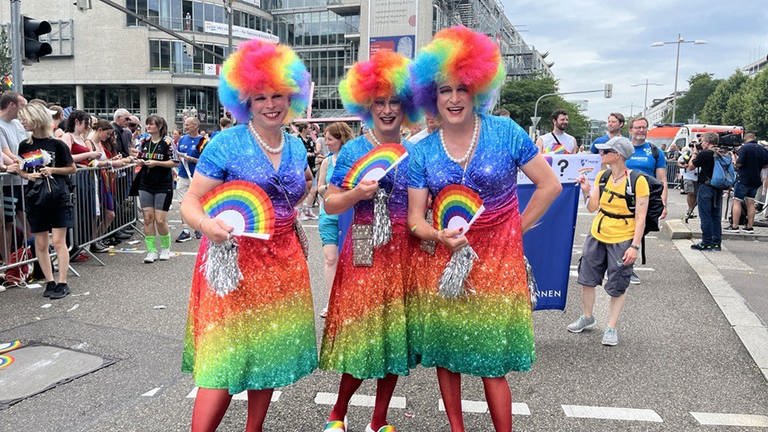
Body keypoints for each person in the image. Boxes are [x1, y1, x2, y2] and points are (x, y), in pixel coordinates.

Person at [408, 26, 561, 432]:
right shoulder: (421, 150)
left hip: (498, 262)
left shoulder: (505, 132)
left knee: (492, 361)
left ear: (477, 89)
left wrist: (517, 228)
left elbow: (550, 186)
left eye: (462, 88)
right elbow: (415, 220)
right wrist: (438, 236)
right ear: (432, 96)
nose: (454, 99)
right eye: (444, 90)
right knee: (448, 351)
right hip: (448, 263)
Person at [180, 39, 317, 432]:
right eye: (260, 97)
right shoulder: (226, 143)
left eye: (278, 95)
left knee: (268, 351)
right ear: (245, 101)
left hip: (282, 261)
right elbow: (190, 202)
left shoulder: (294, 146)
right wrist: (209, 226)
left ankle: (253, 429)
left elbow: (301, 185)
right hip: (233, 262)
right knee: (224, 356)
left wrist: (289, 208)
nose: (271, 104)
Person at [319, 50, 422, 432]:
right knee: (361, 333)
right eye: (379, 102)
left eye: (395, 101)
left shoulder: (416, 152)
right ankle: (338, 414)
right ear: (368, 105)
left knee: (394, 336)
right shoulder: (354, 150)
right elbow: (330, 203)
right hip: (363, 241)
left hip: (403, 248)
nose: (388, 109)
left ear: (406, 105)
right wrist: (356, 195)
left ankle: (379, 420)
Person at [570, 136, 649, 346]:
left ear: (619, 155)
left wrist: (634, 246)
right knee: (586, 277)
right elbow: (592, 207)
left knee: (617, 283)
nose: (601, 155)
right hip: (598, 232)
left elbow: (641, 217)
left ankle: (611, 327)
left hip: (623, 237)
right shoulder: (603, 177)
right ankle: (587, 316)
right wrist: (587, 190)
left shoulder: (638, 181)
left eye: (606, 152)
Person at [16, 102, 77, 299]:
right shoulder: (25, 145)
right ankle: (49, 281)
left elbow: (72, 168)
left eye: (26, 119)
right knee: (40, 243)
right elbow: (24, 169)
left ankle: (63, 281)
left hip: (58, 196)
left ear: (37, 119)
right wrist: (27, 176)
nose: (23, 122)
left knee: (59, 241)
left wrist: (52, 170)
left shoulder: (57, 144)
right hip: (36, 197)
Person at [315, 122, 354, 318]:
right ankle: (331, 302)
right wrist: (329, 189)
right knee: (331, 259)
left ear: (341, 139)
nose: (326, 143)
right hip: (328, 214)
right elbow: (319, 187)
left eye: (330, 139)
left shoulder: (354, 160)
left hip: (349, 215)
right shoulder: (326, 162)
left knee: (349, 260)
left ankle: (348, 299)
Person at [625, 117, 668, 284]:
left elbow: (662, 178)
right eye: (637, 128)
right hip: (625, 196)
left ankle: (627, 264)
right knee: (624, 229)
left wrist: (664, 203)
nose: (641, 130)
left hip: (647, 197)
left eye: (644, 127)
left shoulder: (655, 151)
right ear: (630, 130)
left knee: (640, 229)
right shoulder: (623, 149)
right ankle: (626, 268)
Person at [133, 115, 178, 263]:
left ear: (159, 126)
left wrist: (157, 163)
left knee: (160, 219)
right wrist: (140, 161)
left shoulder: (167, 142)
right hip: (145, 182)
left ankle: (165, 248)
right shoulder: (144, 141)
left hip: (163, 183)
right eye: (147, 124)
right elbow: (140, 156)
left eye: (151, 124)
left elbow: (174, 162)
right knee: (147, 218)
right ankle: (151, 250)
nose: (148, 127)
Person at [0, 92, 28, 262]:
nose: (23, 111)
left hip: (22, 180)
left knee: (27, 218)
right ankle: (7, 262)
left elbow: (23, 148)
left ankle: (27, 258)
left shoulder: (17, 124)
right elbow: (5, 151)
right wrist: (20, 166)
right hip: (8, 182)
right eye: (22, 107)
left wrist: (28, 164)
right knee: (7, 222)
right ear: (12, 105)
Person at [724, 132, 768, 233]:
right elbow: (766, 165)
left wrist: (735, 162)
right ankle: (749, 227)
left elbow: (739, 164)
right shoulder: (763, 149)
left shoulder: (745, 148)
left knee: (737, 201)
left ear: (746, 138)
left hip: (743, 178)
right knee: (751, 202)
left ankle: (734, 226)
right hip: (756, 180)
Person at [689, 132, 724, 250]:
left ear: (708, 142)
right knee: (716, 215)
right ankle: (716, 242)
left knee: (705, 215)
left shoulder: (705, 154)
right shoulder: (722, 152)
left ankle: (706, 241)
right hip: (719, 187)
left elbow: (691, 166)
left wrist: (694, 153)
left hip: (706, 186)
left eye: (702, 141)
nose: (701, 144)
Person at [176, 116, 205, 242]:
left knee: (198, 203)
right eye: (185, 124)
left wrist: (192, 160)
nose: (185, 127)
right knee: (182, 203)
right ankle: (185, 230)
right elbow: (177, 155)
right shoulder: (182, 139)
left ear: (196, 126)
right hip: (182, 175)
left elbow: (205, 161)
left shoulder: (202, 141)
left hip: (197, 177)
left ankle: (198, 227)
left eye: (188, 125)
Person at [297, 123, 320, 220]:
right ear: (304, 129)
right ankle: (300, 211)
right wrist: (308, 154)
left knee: (314, 189)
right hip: (302, 167)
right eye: (309, 128)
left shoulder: (310, 139)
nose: (310, 130)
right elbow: (298, 153)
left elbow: (314, 151)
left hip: (312, 166)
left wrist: (314, 154)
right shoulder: (298, 140)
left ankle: (308, 209)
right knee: (303, 189)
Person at [678, 142, 699, 222]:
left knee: (697, 195)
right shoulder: (687, 154)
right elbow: (679, 162)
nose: (693, 147)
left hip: (698, 177)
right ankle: (690, 210)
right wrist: (684, 166)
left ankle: (691, 209)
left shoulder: (700, 153)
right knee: (691, 193)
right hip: (688, 176)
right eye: (691, 146)